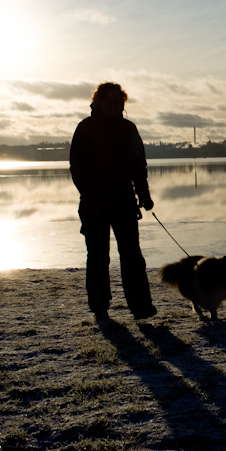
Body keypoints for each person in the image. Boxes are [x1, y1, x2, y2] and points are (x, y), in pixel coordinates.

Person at [69, 82, 157, 321]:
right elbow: (77, 168)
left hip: (124, 201)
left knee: (132, 256)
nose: (114, 104)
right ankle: (100, 307)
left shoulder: (129, 129)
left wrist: (144, 196)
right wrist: (89, 196)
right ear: (99, 102)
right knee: (98, 257)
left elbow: (139, 166)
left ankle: (141, 307)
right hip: (93, 204)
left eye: (118, 101)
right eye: (109, 100)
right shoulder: (85, 128)